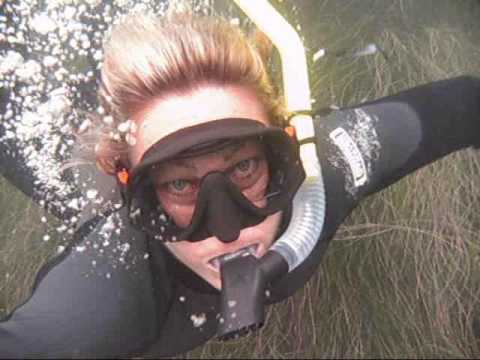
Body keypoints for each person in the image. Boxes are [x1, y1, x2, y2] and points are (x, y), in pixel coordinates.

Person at [0, 9, 480, 358]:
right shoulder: (102, 296)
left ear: (288, 148)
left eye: (245, 169)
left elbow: (467, 102)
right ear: (133, 191)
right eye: (180, 186)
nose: (227, 232)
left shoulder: (323, 171)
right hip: (67, 165)